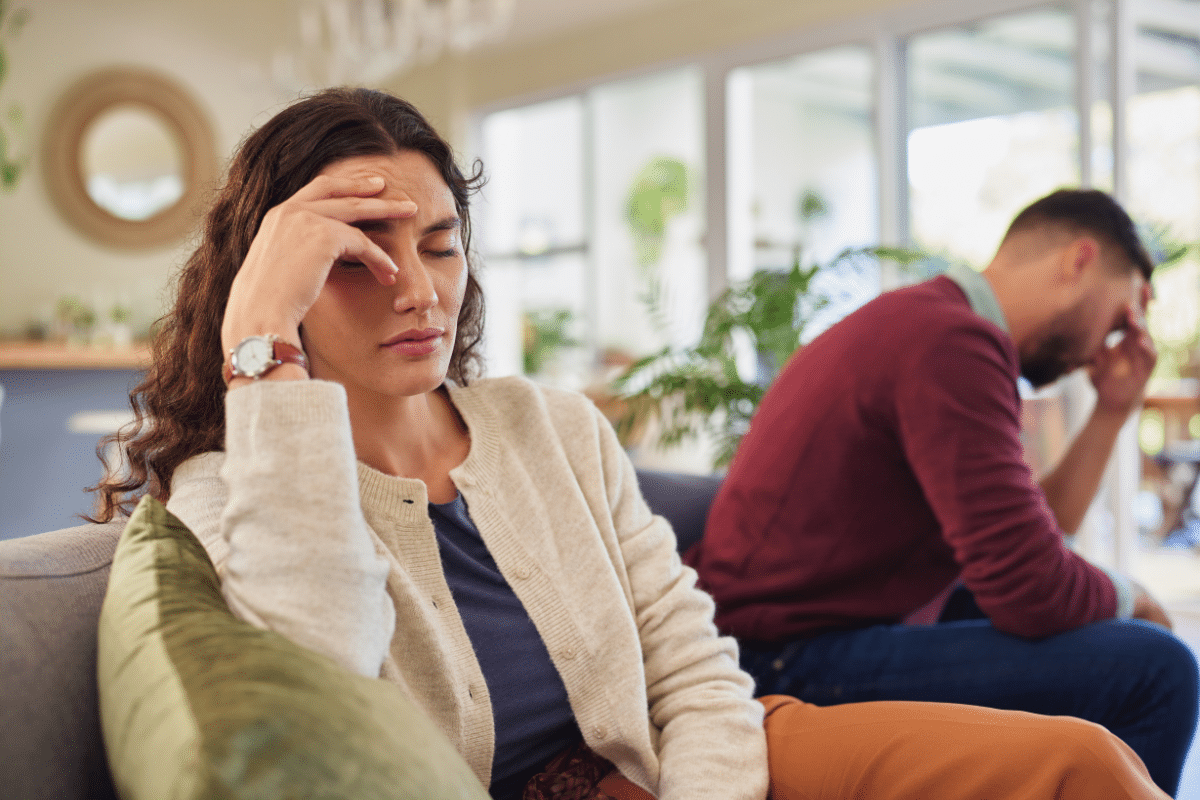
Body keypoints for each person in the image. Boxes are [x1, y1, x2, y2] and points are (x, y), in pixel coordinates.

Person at [91, 90, 1171, 800]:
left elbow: (692, 657)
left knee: (1087, 761)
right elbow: (316, 673)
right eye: (356, 253)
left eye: (438, 243)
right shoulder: (242, 483)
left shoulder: (545, 423)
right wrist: (261, 350)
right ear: (272, 277)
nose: (418, 288)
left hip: (697, 761)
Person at [688, 188, 1200, 796]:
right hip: (777, 652)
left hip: (823, 623)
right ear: (1077, 261)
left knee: (1090, 629)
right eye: (1119, 318)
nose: (1107, 347)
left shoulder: (933, 322)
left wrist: (1114, 410)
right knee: (1157, 668)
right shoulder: (950, 341)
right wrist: (1135, 597)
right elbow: (1027, 588)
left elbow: (1039, 529)